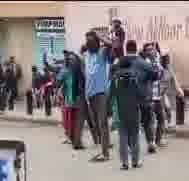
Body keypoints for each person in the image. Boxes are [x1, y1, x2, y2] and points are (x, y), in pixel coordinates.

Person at [109, 53, 144, 170]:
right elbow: (140, 94)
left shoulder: (115, 79)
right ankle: (135, 161)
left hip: (121, 112)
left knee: (123, 137)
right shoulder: (135, 76)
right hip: (134, 111)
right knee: (135, 137)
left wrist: (108, 110)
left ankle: (124, 163)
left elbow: (111, 95)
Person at [83, 30, 113, 162]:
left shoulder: (102, 52)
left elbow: (111, 45)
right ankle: (104, 147)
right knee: (96, 124)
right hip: (90, 94)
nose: (89, 43)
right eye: (87, 41)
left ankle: (105, 153)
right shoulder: (86, 54)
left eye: (91, 40)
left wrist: (99, 36)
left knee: (103, 123)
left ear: (97, 42)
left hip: (101, 93)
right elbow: (81, 48)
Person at [141, 42, 166, 151]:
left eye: (153, 49)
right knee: (149, 121)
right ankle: (151, 142)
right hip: (149, 96)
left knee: (161, 118)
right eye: (149, 49)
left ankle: (157, 140)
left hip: (158, 95)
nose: (152, 51)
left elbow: (161, 74)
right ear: (145, 52)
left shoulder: (157, 61)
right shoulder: (144, 64)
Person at [59, 51, 85, 149]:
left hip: (77, 100)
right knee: (73, 122)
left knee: (76, 122)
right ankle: (75, 141)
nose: (71, 62)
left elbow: (83, 84)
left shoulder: (79, 72)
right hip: (70, 101)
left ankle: (76, 141)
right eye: (70, 60)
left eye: (73, 60)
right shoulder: (66, 72)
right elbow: (58, 81)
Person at [160, 51, 184, 131]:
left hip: (170, 91)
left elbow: (174, 79)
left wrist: (179, 90)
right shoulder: (160, 68)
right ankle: (165, 124)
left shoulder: (169, 68)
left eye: (168, 58)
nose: (169, 60)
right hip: (162, 92)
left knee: (170, 108)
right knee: (167, 107)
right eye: (167, 59)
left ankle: (169, 124)